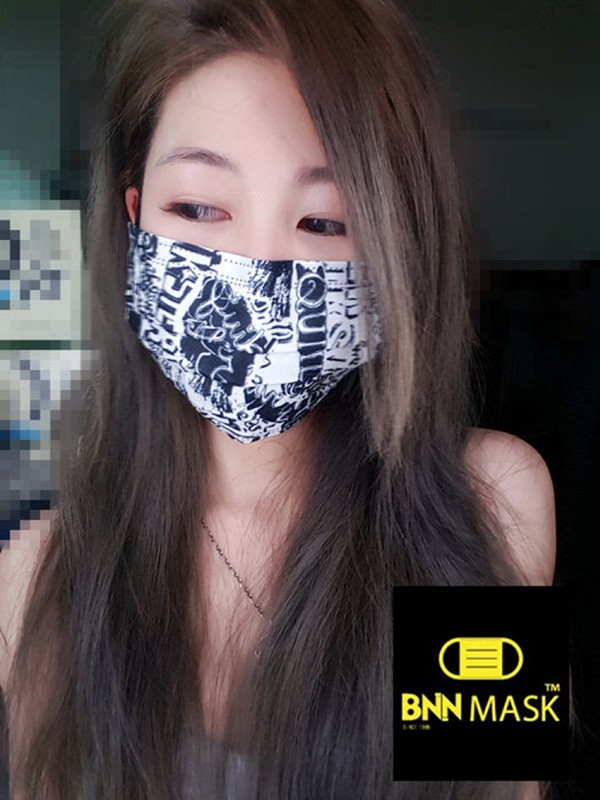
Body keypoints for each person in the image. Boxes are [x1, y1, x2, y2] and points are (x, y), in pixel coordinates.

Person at [0, 0, 556, 798]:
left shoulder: (481, 506)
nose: (258, 267)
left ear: (395, 250)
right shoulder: (36, 579)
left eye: (324, 220)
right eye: (199, 208)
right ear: (134, 222)